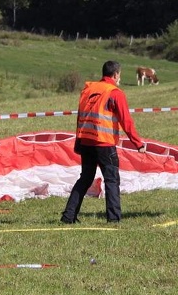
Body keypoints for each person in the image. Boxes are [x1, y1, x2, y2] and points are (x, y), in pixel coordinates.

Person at [61, 60, 147, 224]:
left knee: (85, 178)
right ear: (115, 75)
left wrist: (78, 142)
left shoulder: (88, 90)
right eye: (119, 75)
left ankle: (68, 216)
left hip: (86, 142)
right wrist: (138, 144)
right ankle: (113, 219)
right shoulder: (115, 93)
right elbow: (126, 121)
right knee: (112, 180)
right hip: (104, 144)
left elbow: (80, 117)